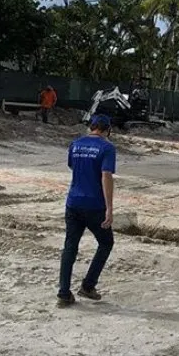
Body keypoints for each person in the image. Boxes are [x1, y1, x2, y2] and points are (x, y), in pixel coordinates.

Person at [57, 114, 116, 307]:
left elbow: (72, 167)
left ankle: (64, 293)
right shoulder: (107, 148)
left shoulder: (75, 144)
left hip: (73, 203)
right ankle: (88, 285)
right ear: (107, 129)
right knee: (106, 242)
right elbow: (106, 176)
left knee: (70, 247)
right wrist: (109, 208)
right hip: (94, 205)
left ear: (91, 127)